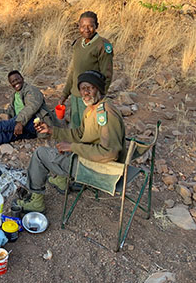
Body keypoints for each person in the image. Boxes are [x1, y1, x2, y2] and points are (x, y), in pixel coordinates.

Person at [16, 70, 125, 213]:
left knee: (40, 154)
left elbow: (110, 153)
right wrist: (51, 130)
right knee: (60, 146)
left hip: (99, 170)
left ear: (97, 88)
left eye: (90, 88)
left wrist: (73, 147)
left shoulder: (104, 114)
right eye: (82, 89)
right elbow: (80, 134)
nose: (85, 92)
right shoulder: (92, 109)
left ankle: (36, 202)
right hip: (90, 161)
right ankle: (62, 181)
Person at [59, 11, 113, 128]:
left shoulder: (102, 45)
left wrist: (101, 95)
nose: (86, 29)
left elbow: (107, 74)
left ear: (96, 26)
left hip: (90, 96)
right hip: (75, 95)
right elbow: (73, 71)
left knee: (90, 128)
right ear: (79, 27)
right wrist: (65, 94)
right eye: (83, 26)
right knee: (75, 126)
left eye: (90, 26)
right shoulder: (78, 43)